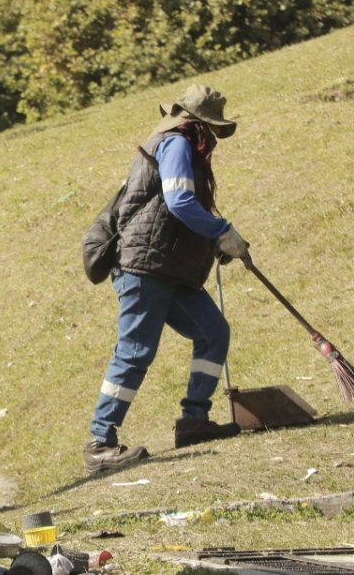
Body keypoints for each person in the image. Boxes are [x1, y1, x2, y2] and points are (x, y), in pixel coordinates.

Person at [84, 84, 249, 475]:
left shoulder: (181, 144)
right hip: (146, 267)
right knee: (135, 351)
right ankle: (99, 443)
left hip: (170, 269)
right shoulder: (176, 143)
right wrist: (220, 230)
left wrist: (215, 242)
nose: (214, 140)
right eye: (213, 130)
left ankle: (194, 421)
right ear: (199, 124)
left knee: (213, 332)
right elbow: (179, 202)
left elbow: (175, 209)